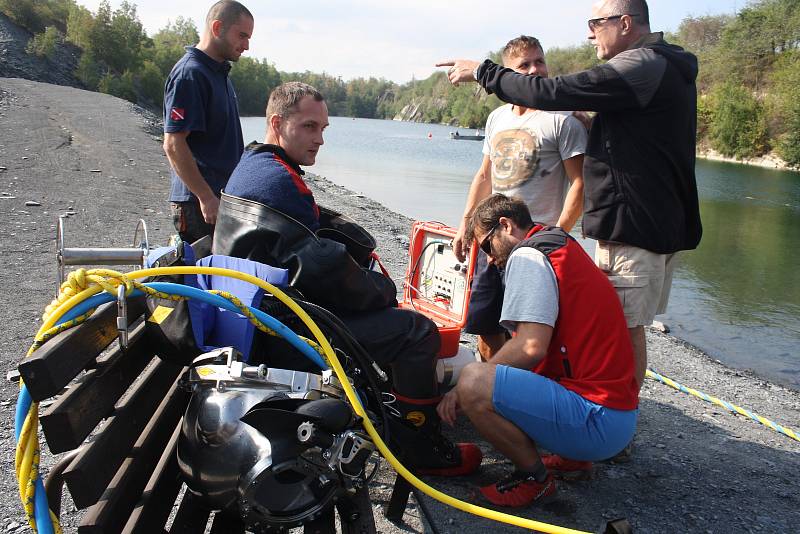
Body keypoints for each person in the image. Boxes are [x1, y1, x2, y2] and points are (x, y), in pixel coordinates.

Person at [213, 81, 482, 476]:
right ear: (277, 123)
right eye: (309, 127)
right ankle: (421, 449)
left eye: (323, 129)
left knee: (389, 319)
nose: (319, 139)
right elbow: (322, 272)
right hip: (283, 337)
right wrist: (382, 291)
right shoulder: (277, 180)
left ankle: (390, 415)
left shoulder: (255, 163)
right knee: (417, 331)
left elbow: (304, 244)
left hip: (258, 319)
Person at [439, 0, 702, 393]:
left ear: (624, 23)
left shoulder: (643, 64)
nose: (589, 33)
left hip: (635, 228)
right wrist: (597, 119)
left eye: (596, 23)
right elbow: (638, 142)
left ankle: (613, 416)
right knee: (620, 326)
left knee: (622, 330)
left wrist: (483, 72)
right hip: (646, 223)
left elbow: (558, 91)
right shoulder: (657, 68)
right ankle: (600, 405)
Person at [437, 194, 638, 507]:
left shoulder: (527, 256)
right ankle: (573, 459)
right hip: (617, 415)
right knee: (493, 377)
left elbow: (531, 347)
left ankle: (533, 478)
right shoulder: (558, 243)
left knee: (474, 380)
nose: (489, 259)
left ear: (506, 225)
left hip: (597, 421)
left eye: (487, 246)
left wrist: (462, 391)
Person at [453, 35, 587, 360]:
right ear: (509, 73)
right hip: (491, 242)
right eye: (523, 65)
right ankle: (491, 387)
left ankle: (518, 393)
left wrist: (558, 237)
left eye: (539, 61)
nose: (534, 70)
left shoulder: (562, 118)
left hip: (536, 247)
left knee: (530, 335)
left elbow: (581, 184)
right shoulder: (497, 118)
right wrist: (466, 225)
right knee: (484, 324)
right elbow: (485, 175)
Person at [162, 0, 254, 243]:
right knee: (203, 276)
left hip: (220, 199)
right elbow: (173, 144)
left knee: (222, 276)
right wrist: (205, 197)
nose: (246, 45)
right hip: (198, 206)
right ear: (217, 28)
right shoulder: (191, 74)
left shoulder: (219, 73)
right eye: (242, 36)